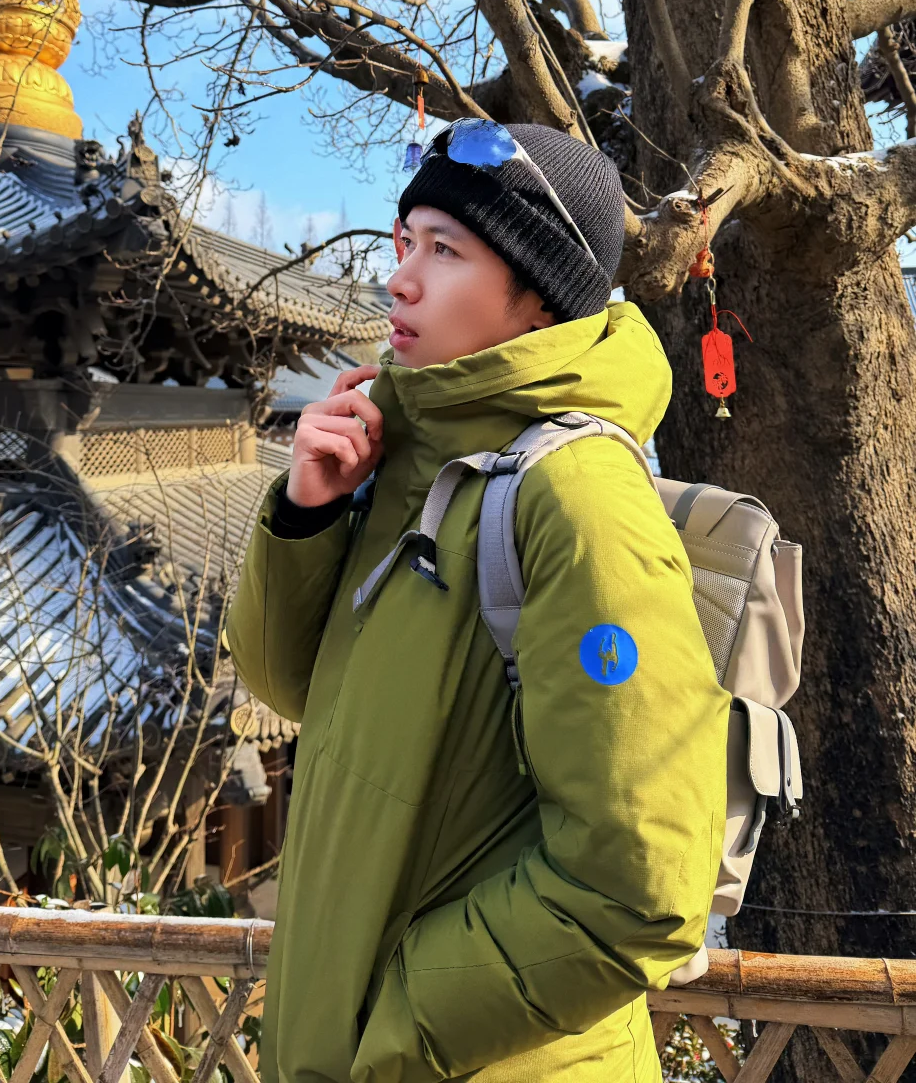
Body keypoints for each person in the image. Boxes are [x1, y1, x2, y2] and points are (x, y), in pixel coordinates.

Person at [227, 122, 729, 1083]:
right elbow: (290, 686)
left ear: (537, 298)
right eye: (403, 242)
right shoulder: (414, 461)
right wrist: (307, 514)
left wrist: (394, 1024)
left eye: (445, 251)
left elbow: (641, 885)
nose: (401, 280)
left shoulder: (576, 499)